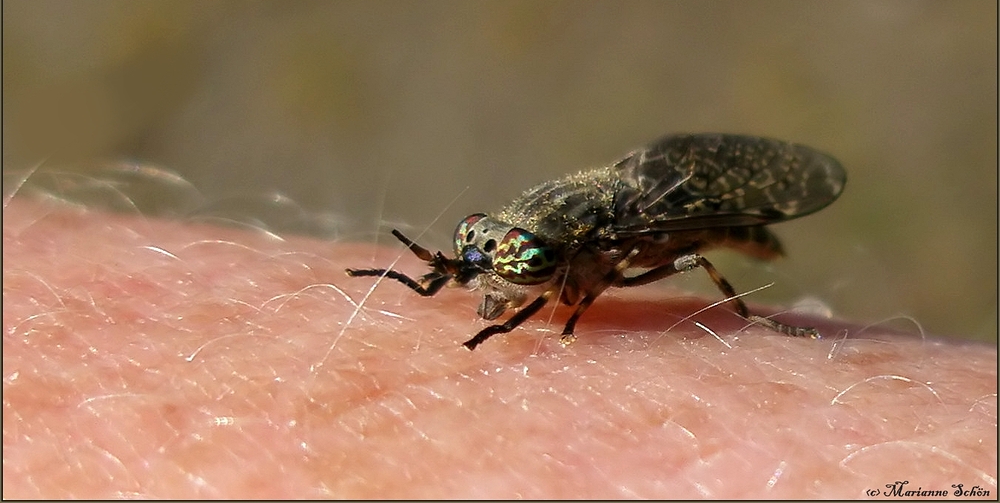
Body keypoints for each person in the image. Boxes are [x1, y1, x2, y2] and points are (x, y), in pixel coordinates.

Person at [3, 198, 996, 498]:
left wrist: (533, 314)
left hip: (645, 222)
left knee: (690, 252)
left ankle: (754, 317)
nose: (486, 281)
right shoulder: (510, 251)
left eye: (505, 271)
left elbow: (585, 261)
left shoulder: (583, 255)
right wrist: (468, 281)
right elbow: (506, 256)